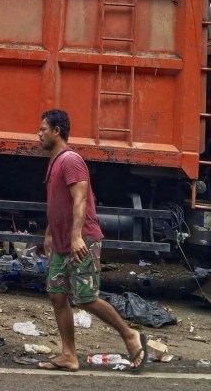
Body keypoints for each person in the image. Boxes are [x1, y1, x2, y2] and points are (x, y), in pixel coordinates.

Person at [36, 109, 149, 372]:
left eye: (43, 129)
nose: (38, 134)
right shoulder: (53, 162)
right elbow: (58, 203)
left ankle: (130, 335)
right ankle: (69, 355)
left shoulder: (71, 160)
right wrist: (50, 233)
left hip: (82, 240)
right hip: (62, 242)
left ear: (57, 131)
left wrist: (76, 237)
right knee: (56, 295)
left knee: (85, 298)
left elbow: (80, 200)